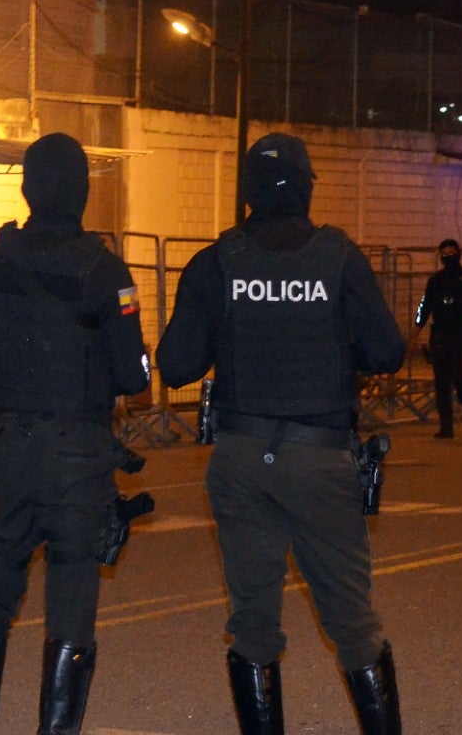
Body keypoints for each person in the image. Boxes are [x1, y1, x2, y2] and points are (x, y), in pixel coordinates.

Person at [156, 132, 407, 735]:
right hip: (319, 456)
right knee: (350, 621)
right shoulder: (338, 258)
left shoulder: (218, 260)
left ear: (245, 191)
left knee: (253, 622)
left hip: (241, 458)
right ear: (306, 186)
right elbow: (387, 350)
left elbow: (175, 364)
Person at [0, 132, 151, 735]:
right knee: (71, 592)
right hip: (77, 451)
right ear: (83, 193)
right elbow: (132, 375)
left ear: (27, 189)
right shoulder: (104, 269)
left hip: (7, 441)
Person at [409, 238, 462, 438]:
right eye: (445, 254)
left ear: (459, 254)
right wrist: (415, 333)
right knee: (441, 383)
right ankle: (446, 427)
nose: (449, 257)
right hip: (441, 335)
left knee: (461, 377)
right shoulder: (435, 280)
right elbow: (424, 307)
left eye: (452, 253)